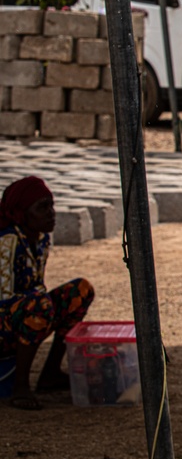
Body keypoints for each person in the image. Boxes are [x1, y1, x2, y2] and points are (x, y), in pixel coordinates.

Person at [1, 176, 94, 410]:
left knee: (80, 291)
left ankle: (50, 373)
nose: (51, 213)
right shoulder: (7, 241)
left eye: (51, 205)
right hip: (6, 318)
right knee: (39, 305)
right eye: (42, 208)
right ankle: (20, 386)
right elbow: (4, 296)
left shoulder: (40, 239)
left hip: (23, 312)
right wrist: (35, 307)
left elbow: (37, 285)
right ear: (22, 213)